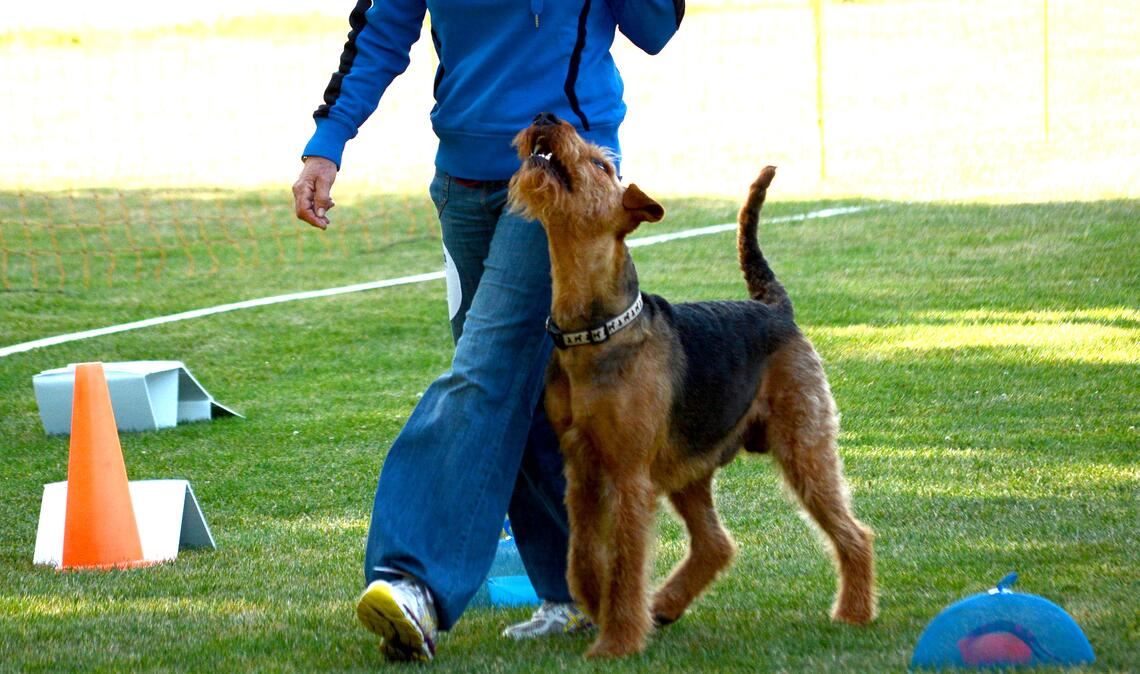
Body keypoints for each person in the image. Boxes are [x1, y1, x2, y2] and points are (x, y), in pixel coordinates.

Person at [292, 0, 685, 663]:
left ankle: (413, 579)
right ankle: (582, 593)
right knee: (525, 393)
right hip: (461, 180)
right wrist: (327, 144)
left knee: (484, 375)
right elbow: (383, 27)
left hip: (563, 178)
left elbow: (654, 30)